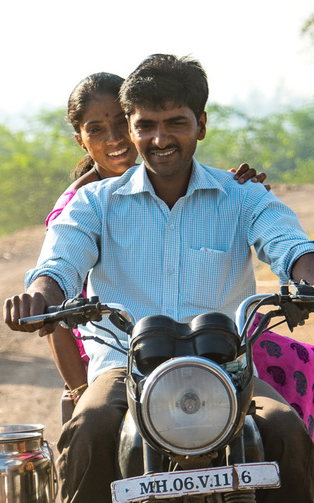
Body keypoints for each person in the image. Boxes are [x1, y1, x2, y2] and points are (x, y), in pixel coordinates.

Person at [5, 55, 314, 503]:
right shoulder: (95, 204)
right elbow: (59, 263)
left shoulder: (240, 195)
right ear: (131, 123)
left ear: (201, 122)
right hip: (126, 365)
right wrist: (40, 297)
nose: (157, 138)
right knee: (91, 427)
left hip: (225, 370)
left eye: (174, 122)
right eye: (144, 124)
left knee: (283, 430)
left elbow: (289, 246)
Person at [45, 71, 270, 423]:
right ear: (80, 140)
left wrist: (236, 188)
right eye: (97, 130)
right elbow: (57, 280)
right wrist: (79, 389)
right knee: (91, 427)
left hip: (211, 349)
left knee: (285, 417)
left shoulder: (212, 187)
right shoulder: (82, 203)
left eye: (123, 124)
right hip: (109, 354)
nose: (116, 139)